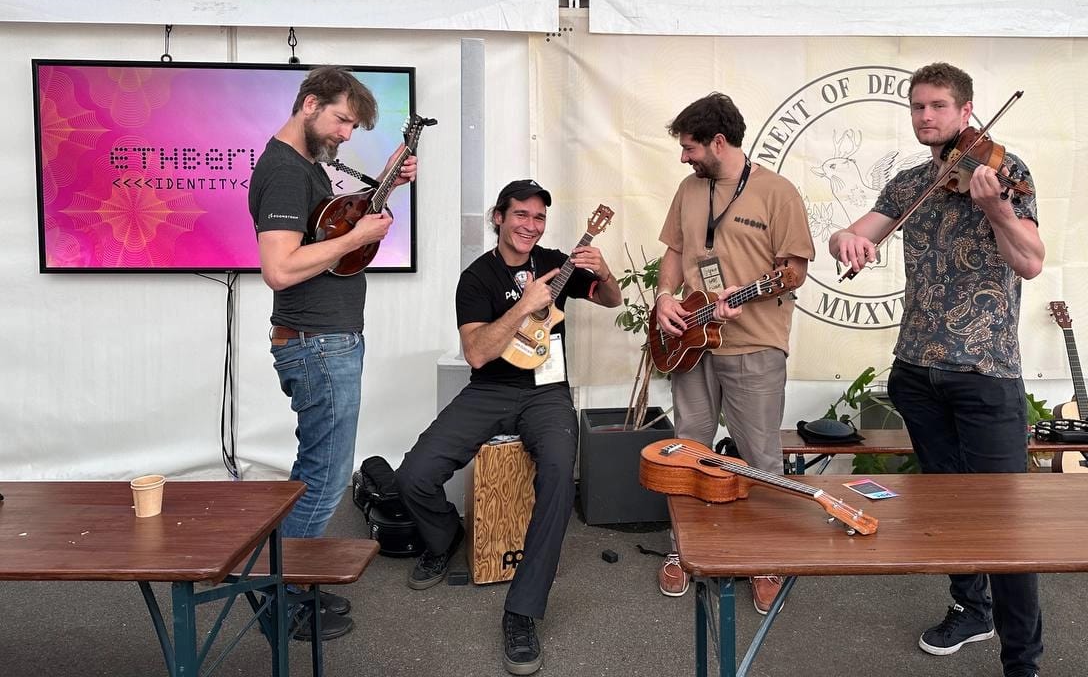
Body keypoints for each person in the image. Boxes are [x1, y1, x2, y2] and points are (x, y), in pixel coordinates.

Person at [828, 62, 1044, 677]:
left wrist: (998, 210)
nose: (927, 116)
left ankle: (1022, 659)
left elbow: (1029, 262)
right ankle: (970, 608)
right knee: (947, 506)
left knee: (1003, 516)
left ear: (966, 111)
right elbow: (857, 230)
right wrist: (848, 238)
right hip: (916, 372)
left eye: (939, 106)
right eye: (918, 106)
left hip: (985, 371)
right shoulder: (908, 184)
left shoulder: (1006, 171)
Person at [396, 179, 621, 676]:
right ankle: (442, 539)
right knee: (413, 474)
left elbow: (612, 301)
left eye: (539, 218)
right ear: (498, 217)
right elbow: (477, 352)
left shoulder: (559, 262)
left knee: (560, 474)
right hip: (490, 388)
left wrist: (603, 273)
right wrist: (523, 303)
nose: (530, 226)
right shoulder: (476, 278)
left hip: (546, 391)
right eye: (521, 215)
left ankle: (522, 611)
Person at [248, 65, 416, 641]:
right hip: (318, 347)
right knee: (324, 478)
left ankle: (285, 587)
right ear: (310, 104)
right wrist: (356, 239)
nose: (347, 134)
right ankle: (277, 599)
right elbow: (279, 269)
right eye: (342, 120)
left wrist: (389, 178)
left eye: (353, 126)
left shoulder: (306, 166)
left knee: (313, 472)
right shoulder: (286, 172)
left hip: (325, 343)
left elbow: (324, 234)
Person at [651, 92, 814, 615]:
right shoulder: (688, 188)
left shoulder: (778, 192)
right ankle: (683, 550)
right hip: (691, 342)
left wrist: (744, 295)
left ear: (719, 142)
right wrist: (664, 299)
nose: (684, 157)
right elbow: (675, 252)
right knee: (687, 447)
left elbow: (793, 271)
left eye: (690, 147)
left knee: (760, 455)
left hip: (755, 344)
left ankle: (765, 559)